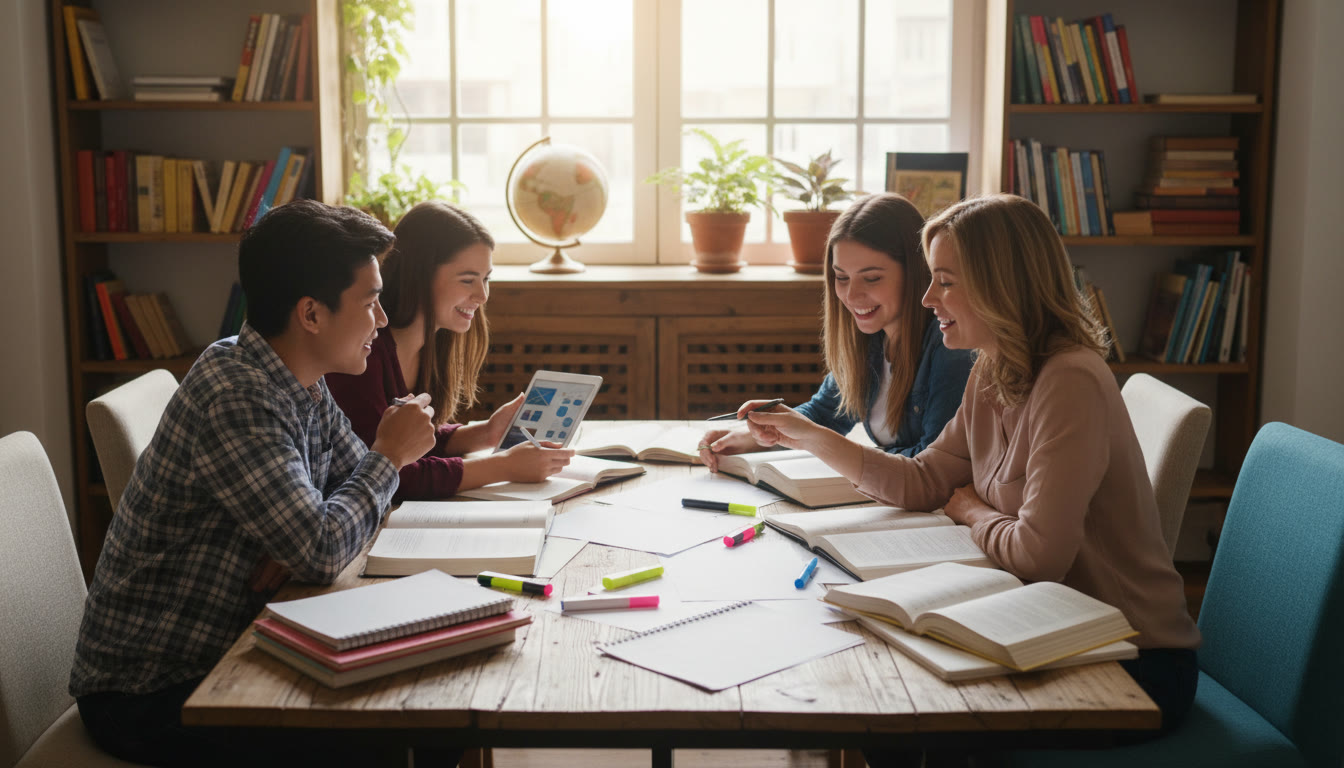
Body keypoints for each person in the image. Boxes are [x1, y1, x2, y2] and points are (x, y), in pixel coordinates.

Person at [747, 194, 1201, 750]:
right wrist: (810, 435)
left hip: (1129, 659)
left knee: (896, 702)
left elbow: (1039, 555)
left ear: (1000, 284)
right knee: (880, 676)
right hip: (1048, 622)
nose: (927, 297)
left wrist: (970, 509)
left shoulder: (1069, 380)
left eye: (944, 281)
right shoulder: (994, 369)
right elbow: (921, 483)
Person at [69, 200, 448, 767]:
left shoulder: (300, 378)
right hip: (154, 693)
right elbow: (324, 544)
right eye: (370, 302)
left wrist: (315, 530)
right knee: (407, 725)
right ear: (311, 314)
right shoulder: (238, 395)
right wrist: (388, 456)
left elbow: (344, 510)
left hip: (232, 646)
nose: (383, 320)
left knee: (430, 702)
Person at [698, 193, 973, 469]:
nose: (851, 296)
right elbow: (824, 414)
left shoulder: (951, 348)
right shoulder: (869, 340)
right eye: (841, 277)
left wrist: (833, 446)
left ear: (916, 272)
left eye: (872, 278)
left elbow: (933, 464)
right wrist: (754, 436)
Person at [326, 200, 574, 500]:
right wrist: (503, 467)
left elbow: (412, 443)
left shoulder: (434, 343)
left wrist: (485, 433)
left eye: (486, 279)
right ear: (420, 275)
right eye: (468, 280)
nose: (482, 296)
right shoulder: (363, 354)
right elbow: (386, 472)